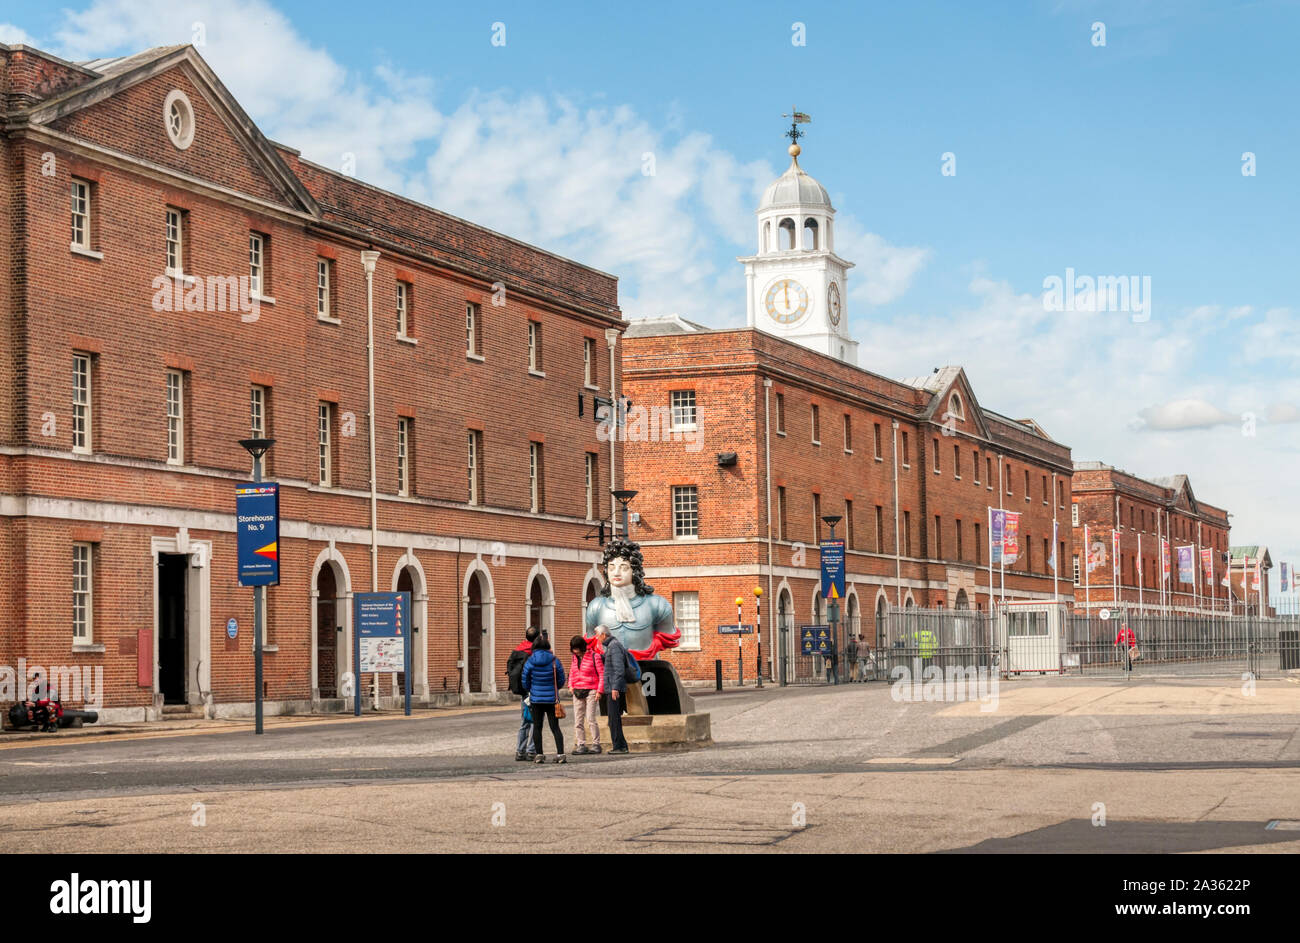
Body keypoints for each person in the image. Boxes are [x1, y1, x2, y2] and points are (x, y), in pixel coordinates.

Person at [521, 635, 567, 764]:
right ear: (547, 646)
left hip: (536, 699)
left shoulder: (530, 661)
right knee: (555, 727)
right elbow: (561, 679)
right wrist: (555, 687)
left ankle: (539, 755)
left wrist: (531, 689)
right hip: (552, 699)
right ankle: (561, 754)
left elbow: (525, 680)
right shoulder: (554, 660)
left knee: (537, 727)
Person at [596, 625, 634, 754]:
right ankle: (621, 745)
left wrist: (615, 687)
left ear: (603, 635)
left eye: (597, 635)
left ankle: (619, 746)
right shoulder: (611, 646)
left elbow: (619, 669)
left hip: (614, 688)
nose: (597, 638)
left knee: (614, 719)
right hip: (612, 687)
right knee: (613, 719)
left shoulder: (614, 646)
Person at [507, 626, 539, 761]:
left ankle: (520, 751)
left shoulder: (517, 650)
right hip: (534, 690)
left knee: (524, 720)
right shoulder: (534, 652)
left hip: (522, 690)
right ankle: (531, 750)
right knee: (534, 721)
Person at [568, 634, 603, 755]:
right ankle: (581, 744)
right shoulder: (574, 658)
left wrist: (599, 691)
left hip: (591, 690)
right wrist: (570, 686)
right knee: (578, 720)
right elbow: (572, 672)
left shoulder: (595, 656)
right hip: (577, 690)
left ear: (582, 647)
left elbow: (601, 674)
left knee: (591, 718)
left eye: (577, 648)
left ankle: (596, 744)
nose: (575, 651)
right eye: (573, 649)